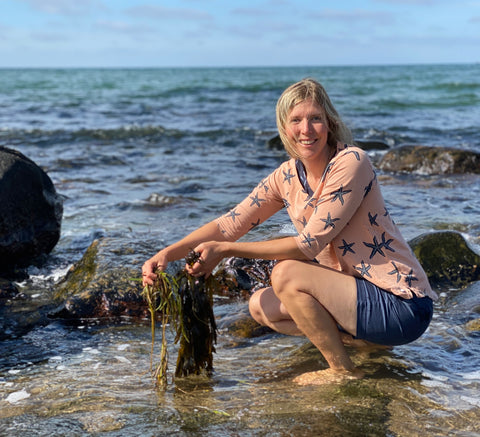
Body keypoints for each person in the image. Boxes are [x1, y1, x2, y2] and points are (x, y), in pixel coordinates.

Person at [142, 78, 438, 385]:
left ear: (329, 123)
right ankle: (368, 344)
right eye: (296, 120)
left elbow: (307, 245)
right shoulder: (285, 176)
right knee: (261, 306)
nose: (306, 130)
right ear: (284, 128)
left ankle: (343, 370)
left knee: (286, 274)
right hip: (358, 298)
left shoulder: (351, 162)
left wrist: (226, 251)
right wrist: (168, 253)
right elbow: (229, 224)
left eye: (315, 119)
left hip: (402, 304)